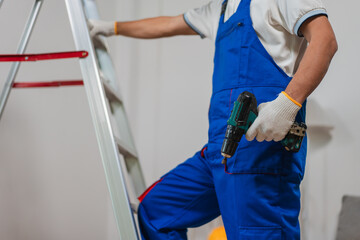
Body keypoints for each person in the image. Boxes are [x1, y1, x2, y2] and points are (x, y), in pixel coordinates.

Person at [89, 0, 337, 238]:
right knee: (157, 212)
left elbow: (325, 41)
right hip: (219, 150)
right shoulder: (219, 10)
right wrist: (112, 28)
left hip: (260, 151)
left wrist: (288, 103)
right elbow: (167, 24)